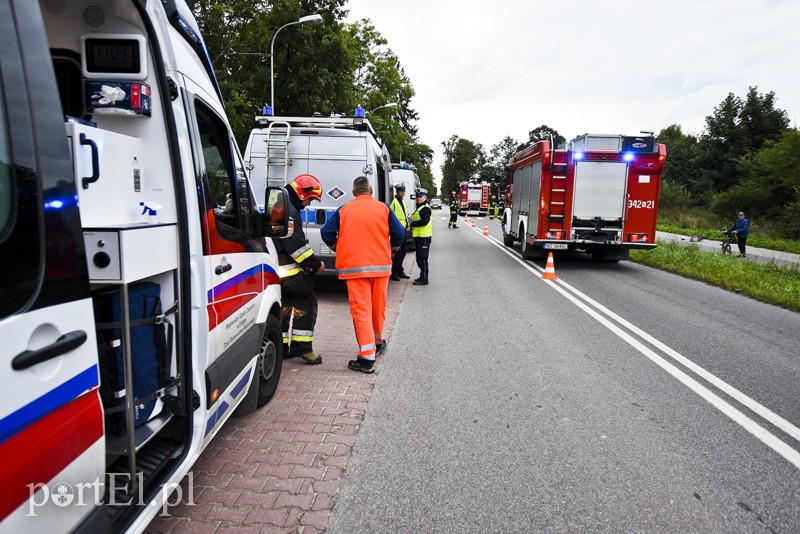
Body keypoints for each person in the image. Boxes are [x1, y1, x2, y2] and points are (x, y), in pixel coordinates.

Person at [321, 176, 405, 373]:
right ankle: (377, 342)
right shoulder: (383, 208)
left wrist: (338, 248)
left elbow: (327, 232)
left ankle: (367, 359)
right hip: (381, 267)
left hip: (355, 269)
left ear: (353, 192)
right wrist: (391, 250)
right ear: (371, 191)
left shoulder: (344, 209)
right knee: (378, 308)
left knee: (362, 311)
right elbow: (400, 233)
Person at [275, 174, 325, 365]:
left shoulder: (282, 203)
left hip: (279, 270)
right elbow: (295, 244)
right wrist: (314, 264)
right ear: (303, 194)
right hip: (289, 271)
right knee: (306, 303)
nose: (309, 204)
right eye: (311, 199)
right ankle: (303, 349)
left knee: (284, 308)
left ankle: (281, 348)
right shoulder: (289, 210)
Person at [389, 184, 411, 281]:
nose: (402, 192)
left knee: (403, 251)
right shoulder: (394, 202)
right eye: (400, 191)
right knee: (397, 253)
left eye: (403, 191)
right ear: (397, 192)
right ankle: (394, 273)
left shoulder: (403, 201)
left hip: (404, 229)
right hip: (397, 230)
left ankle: (400, 270)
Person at [411, 188, 433, 285]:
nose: (418, 199)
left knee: (422, 259)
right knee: (420, 258)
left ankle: (424, 279)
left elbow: (424, 221)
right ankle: (422, 276)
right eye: (417, 197)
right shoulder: (420, 207)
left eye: (421, 197)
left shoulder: (425, 208)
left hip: (424, 237)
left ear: (425, 197)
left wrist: (412, 223)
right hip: (420, 237)